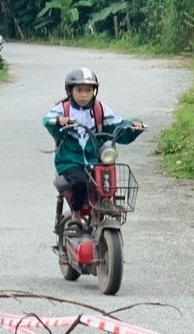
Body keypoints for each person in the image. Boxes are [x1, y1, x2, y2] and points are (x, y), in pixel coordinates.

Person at [44, 68, 145, 231]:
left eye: (88, 90)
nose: (84, 94)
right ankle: (76, 214)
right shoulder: (64, 108)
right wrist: (58, 120)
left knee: (107, 173)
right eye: (79, 90)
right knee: (80, 181)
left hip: (94, 159)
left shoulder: (100, 109)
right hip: (70, 161)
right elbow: (47, 119)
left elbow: (118, 123)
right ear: (70, 90)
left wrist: (133, 125)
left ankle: (104, 203)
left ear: (94, 91)